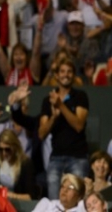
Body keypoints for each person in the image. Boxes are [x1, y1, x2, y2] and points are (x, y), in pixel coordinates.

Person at [38, 58, 90, 200]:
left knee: (77, 201)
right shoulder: (48, 100)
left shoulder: (80, 96)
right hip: (56, 158)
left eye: (69, 72)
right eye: (62, 71)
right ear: (56, 75)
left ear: (74, 75)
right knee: (55, 201)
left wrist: (61, 105)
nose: (65, 75)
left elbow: (79, 125)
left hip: (78, 158)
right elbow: (41, 133)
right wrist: (54, 117)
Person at [0, 129, 37, 200]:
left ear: (15, 147)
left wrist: (10, 195)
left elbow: (30, 197)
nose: (4, 153)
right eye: (0, 149)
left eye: (7, 149)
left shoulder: (25, 164)